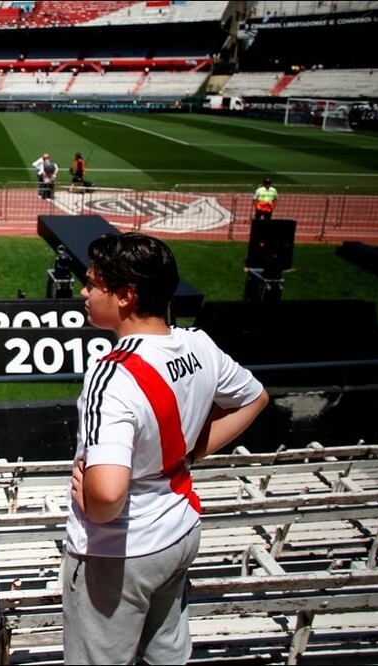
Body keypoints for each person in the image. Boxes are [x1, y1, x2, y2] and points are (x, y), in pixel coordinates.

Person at [64, 233, 269, 664]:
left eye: (91, 283)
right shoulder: (198, 343)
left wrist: (91, 500)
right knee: (167, 652)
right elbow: (255, 398)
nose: (83, 292)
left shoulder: (112, 376)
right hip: (179, 530)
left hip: (120, 552)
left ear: (125, 295)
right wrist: (190, 454)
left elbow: (106, 496)